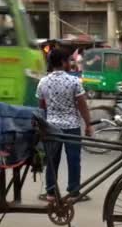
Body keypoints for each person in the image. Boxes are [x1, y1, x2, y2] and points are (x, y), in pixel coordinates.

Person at [36, 48, 93, 202]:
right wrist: (88, 124)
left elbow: (41, 106)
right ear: (62, 62)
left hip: (51, 126)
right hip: (72, 127)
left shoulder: (43, 82)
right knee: (73, 159)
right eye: (68, 60)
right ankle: (74, 192)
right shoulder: (73, 81)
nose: (70, 63)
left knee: (52, 160)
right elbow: (82, 105)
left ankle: (50, 193)